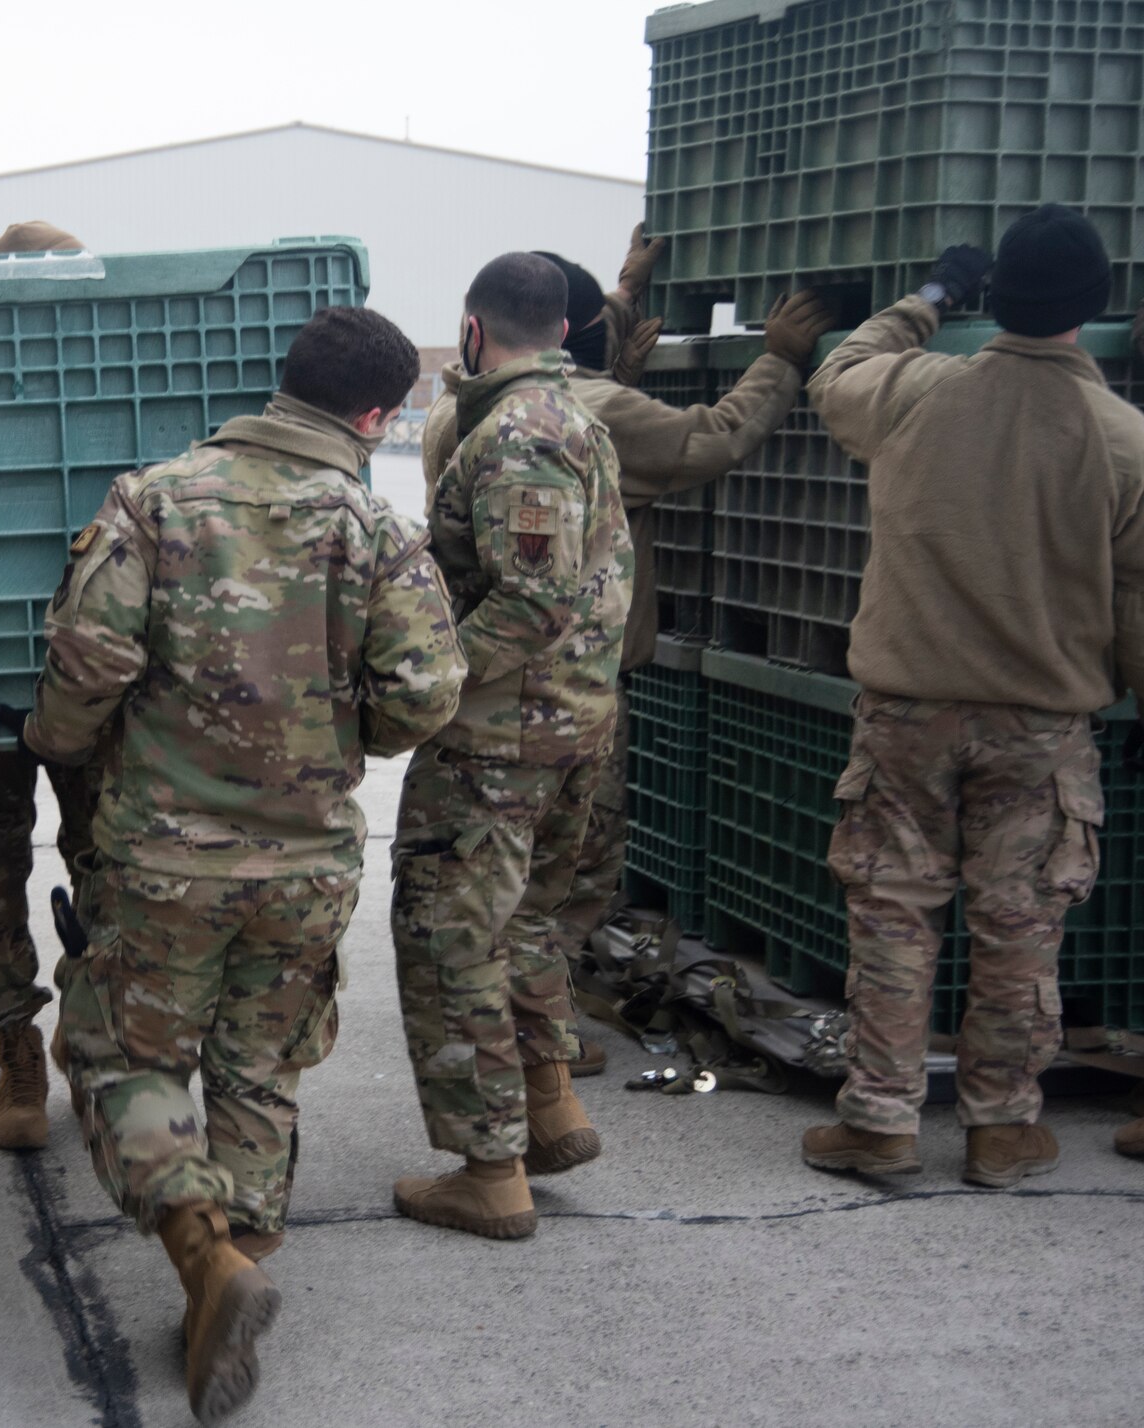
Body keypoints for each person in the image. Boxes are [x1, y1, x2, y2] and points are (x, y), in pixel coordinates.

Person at [25, 306, 465, 1424]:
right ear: (376, 414)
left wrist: (62, 743)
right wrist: (330, 743)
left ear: (283, 384)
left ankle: (202, 1254)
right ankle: (236, 1267)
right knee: (261, 1065)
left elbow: (90, 657)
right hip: (306, 863)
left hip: (162, 858)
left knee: (126, 1055)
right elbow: (425, 689)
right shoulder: (374, 523)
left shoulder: (157, 498)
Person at [421, 230, 832, 1072]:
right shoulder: (579, 419)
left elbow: (567, 352)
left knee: (491, 883)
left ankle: (520, 1039)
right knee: (558, 888)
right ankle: (534, 1046)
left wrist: (625, 289)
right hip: (562, 695)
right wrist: (780, 360)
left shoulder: (462, 403)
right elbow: (704, 441)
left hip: (492, 697)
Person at [801, 206, 1144, 1188]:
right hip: (1039, 726)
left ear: (991, 296)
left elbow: (833, 375)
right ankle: (999, 1128)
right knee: (1018, 924)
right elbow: (1135, 602)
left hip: (904, 712)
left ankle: (876, 1122)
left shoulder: (912, 392)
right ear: (1094, 306)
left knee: (892, 915)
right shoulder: (1122, 440)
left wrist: (925, 299)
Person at [390, 252, 631, 1241]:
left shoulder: (516, 436)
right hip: (568, 723)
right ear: (566, 331)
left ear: (472, 330)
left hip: (501, 738)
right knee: (523, 922)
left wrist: (425, 683)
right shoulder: (571, 418)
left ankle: (488, 1172)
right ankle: (546, 1104)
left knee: (452, 936)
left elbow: (528, 600)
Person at [0, 220, 105, 1152]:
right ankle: (18, 1057)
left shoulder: (115, 388)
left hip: (91, 682)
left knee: (104, 869)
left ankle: (82, 1030)